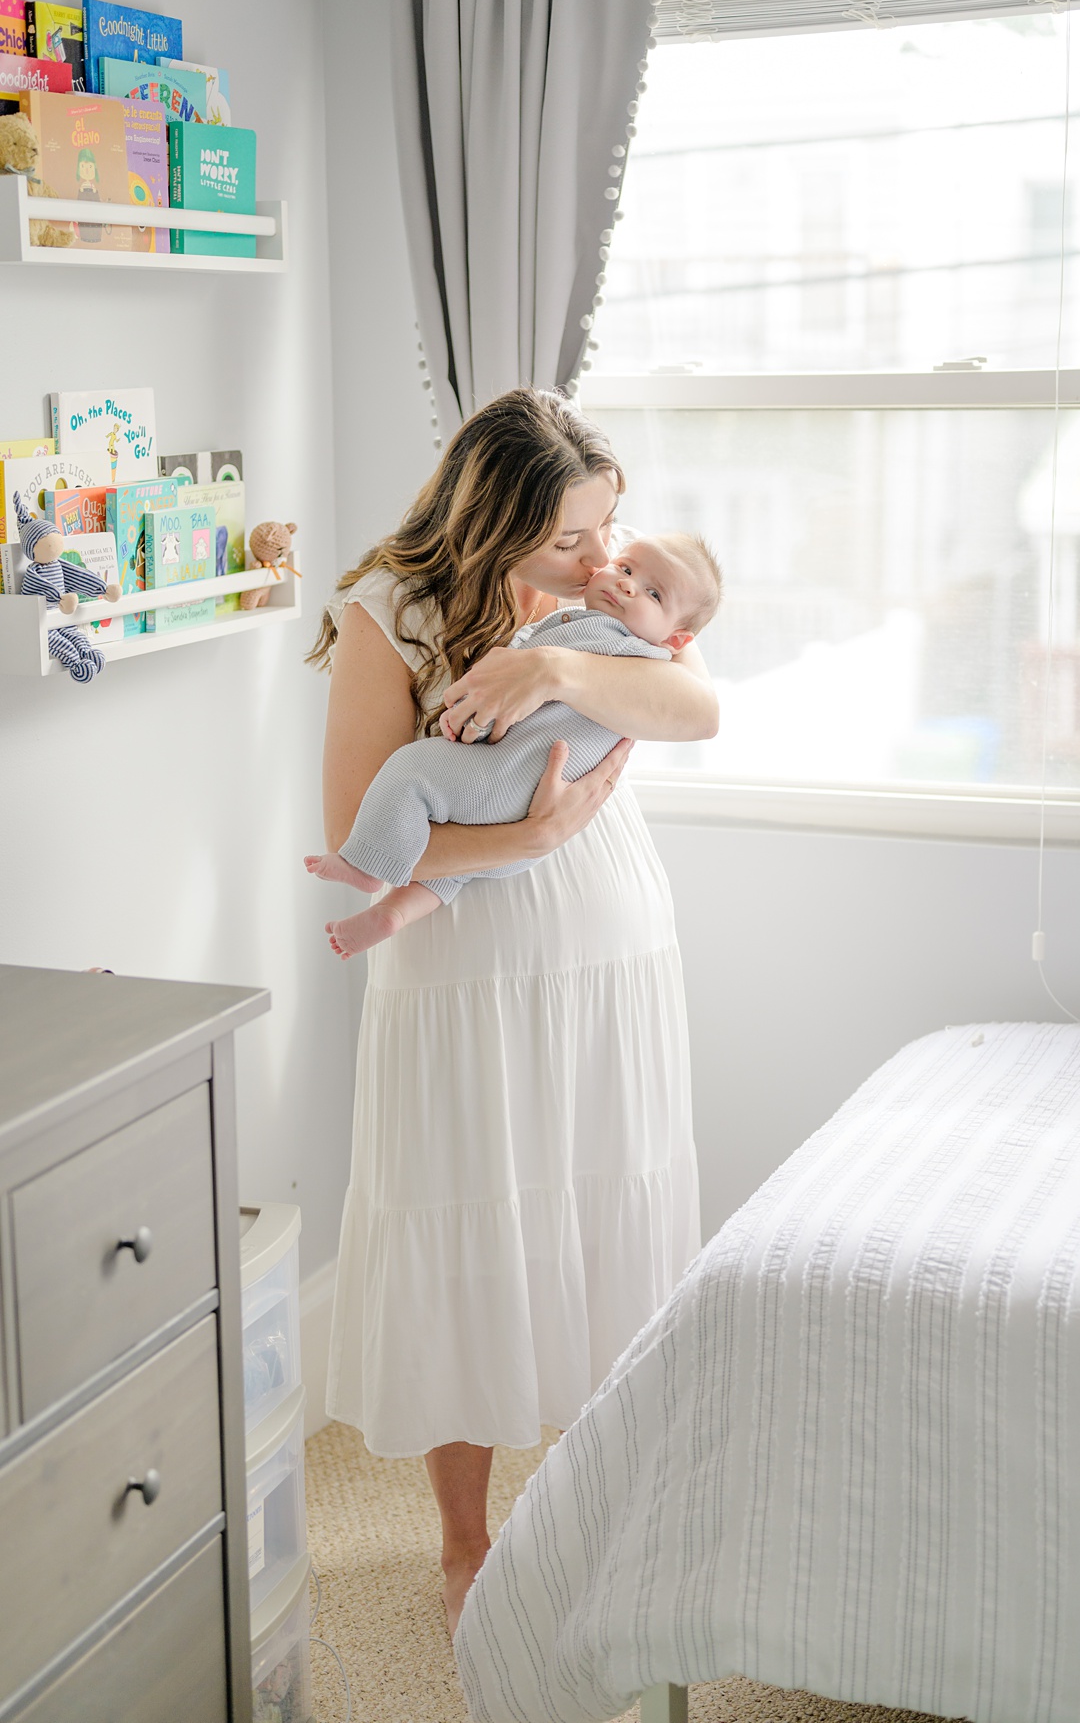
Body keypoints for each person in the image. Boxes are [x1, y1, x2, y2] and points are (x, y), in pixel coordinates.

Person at [309, 388, 717, 1635]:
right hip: (463, 974)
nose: (599, 559)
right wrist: (529, 833)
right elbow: (360, 840)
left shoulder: (604, 612)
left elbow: (699, 709)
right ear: (491, 524)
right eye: (568, 540)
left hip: (606, 950)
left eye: (605, 530)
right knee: (465, 1230)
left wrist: (550, 657)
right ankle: (464, 1544)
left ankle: (601, 1512)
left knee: (604, 1214)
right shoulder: (390, 614)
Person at [308, 535, 722, 957]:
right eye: (626, 569)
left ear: (676, 641)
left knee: (411, 770)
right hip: (517, 851)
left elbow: (703, 714)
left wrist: (540, 676)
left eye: (652, 593)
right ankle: (393, 913)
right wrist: (533, 837)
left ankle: (368, 865)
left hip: (550, 834)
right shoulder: (393, 599)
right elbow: (343, 827)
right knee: (452, 873)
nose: (608, 559)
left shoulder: (619, 619)